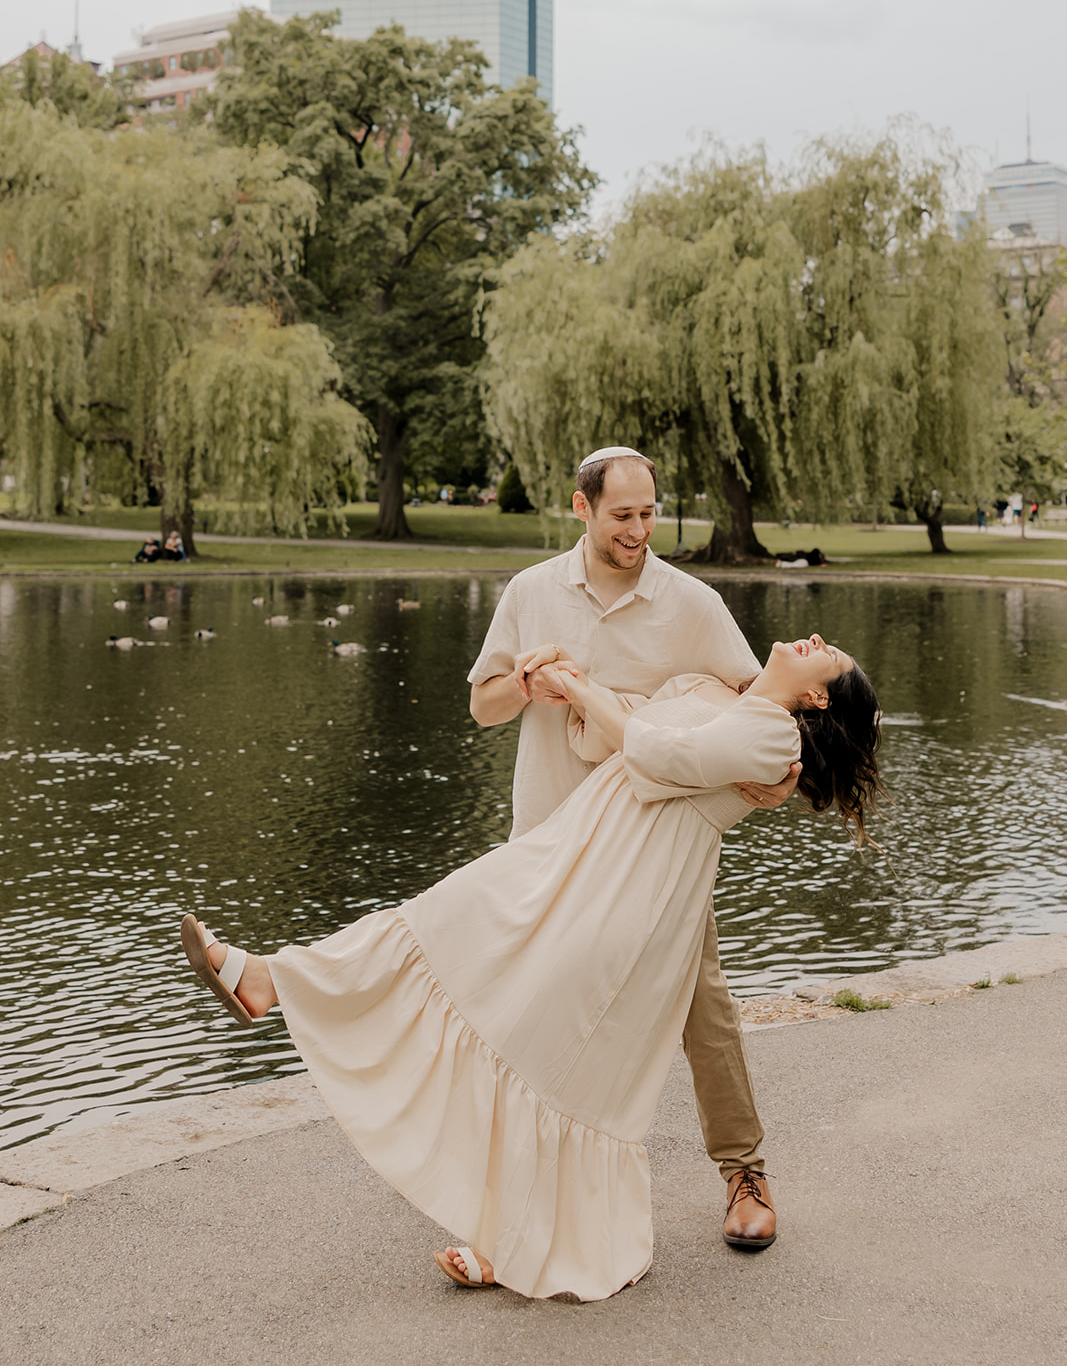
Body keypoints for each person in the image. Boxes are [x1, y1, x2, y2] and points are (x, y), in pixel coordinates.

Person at [181, 631, 882, 1301]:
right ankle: (270, 980)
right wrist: (563, 681)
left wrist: (581, 686)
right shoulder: (708, 690)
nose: (813, 641)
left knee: (552, 1056)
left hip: (628, 884)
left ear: (817, 701)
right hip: (571, 851)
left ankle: (511, 1241)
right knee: (433, 923)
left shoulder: (771, 733)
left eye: (828, 657)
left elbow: (652, 752)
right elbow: (615, 734)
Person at [467, 447, 796, 1249]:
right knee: (526, 1016)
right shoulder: (530, 593)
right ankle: (506, 1193)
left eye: (649, 512)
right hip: (549, 842)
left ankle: (743, 1175)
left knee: (704, 1013)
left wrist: (778, 779)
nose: (640, 529)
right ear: (580, 509)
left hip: (657, 856)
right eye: (623, 515)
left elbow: (759, 711)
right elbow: (482, 707)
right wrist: (528, 686)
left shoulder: (689, 603)